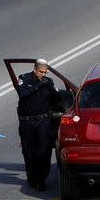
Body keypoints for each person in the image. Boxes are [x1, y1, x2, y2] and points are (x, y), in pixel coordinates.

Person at [16, 59, 61, 191]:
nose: (43, 74)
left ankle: (41, 180)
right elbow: (22, 94)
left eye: (45, 72)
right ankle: (32, 177)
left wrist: (50, 88)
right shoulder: (24, 79)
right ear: (34, 68)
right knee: (28, 151)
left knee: (44, 151)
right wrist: (38, 86)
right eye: (41, 71)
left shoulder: (48, 82)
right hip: (26, 122)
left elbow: (57, 98)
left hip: (43, 121)